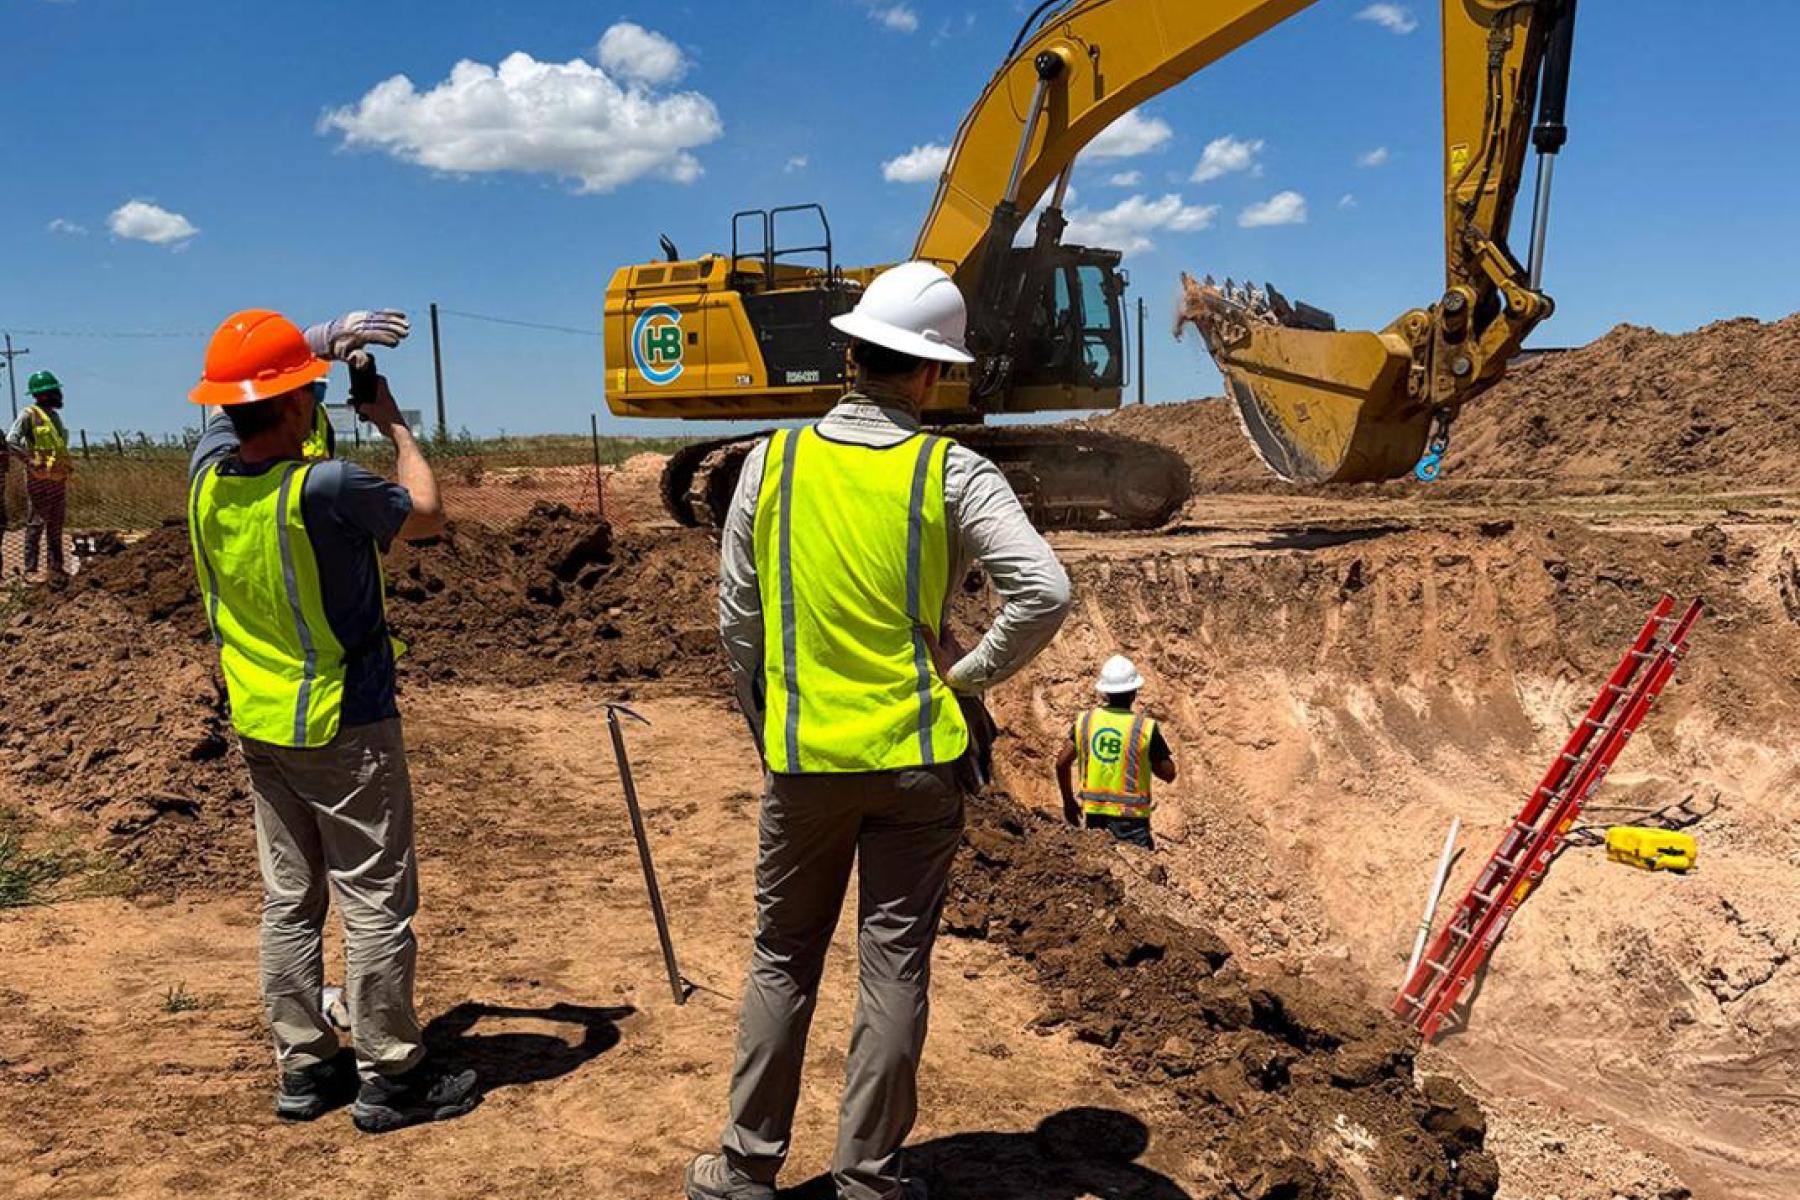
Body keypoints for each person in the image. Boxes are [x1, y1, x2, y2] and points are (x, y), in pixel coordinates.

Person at [691, 262, 1072, 1200]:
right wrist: (967, 676)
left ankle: (745, 1167)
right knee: (893, 963)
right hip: (917, 762)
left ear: (848, 351)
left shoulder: (767, 466)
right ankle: (867, 1177)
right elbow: (1045, 591)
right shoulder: (953, 470)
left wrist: (765, 721)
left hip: (804, 759)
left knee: (783, 955)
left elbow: (737, 621)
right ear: (936, 374)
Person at [184, 306, 476, 1134]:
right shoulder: (329, 487)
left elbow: (227, 409)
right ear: (291, 406)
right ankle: (392, 1074)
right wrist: (394, 428)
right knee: (375, 899)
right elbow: (426, 517)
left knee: (289, 899)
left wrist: (315, 340)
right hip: (346, 722)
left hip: (262, 722)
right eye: (304, 388)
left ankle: (305, 1067)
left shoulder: (207, 474)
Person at [1056, 655, 1177, 849]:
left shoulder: (1085, 722)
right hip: (1132, 823)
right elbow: (1168, 774)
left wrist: (1069, 802)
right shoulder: (1143, 728)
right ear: (1133, 694)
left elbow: (1062, 763)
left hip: (1095, 818)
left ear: (1105, 692)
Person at [7, 370, 74, 579]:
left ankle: (55, 569)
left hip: (57, 478)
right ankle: (31, 570)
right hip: (39, 478)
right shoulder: (29, 414)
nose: (59, 395)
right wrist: (29, 460)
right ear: (44, 393)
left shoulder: (54, 417)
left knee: (56, 523)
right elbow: (11, 440)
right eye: (55, 391)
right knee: (36, 522)